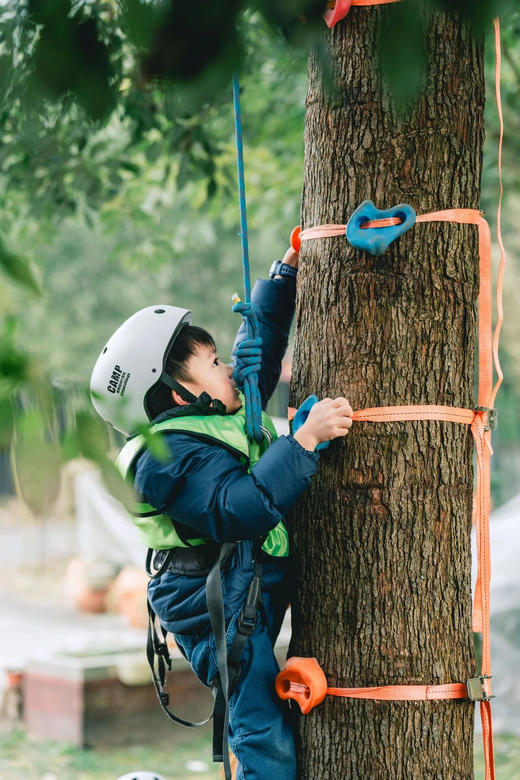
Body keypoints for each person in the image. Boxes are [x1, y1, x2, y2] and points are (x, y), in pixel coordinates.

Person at [90, 245, 353, 780]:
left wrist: (283, 278)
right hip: (212, 603)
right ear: (182, 395)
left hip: (244, 577)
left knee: (263, 716)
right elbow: (239, 509)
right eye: (213, 364)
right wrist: (300, 442)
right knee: (258, 721)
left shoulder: (215, 412)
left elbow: (255, 352)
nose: (229, 367)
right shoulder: (164, 461)